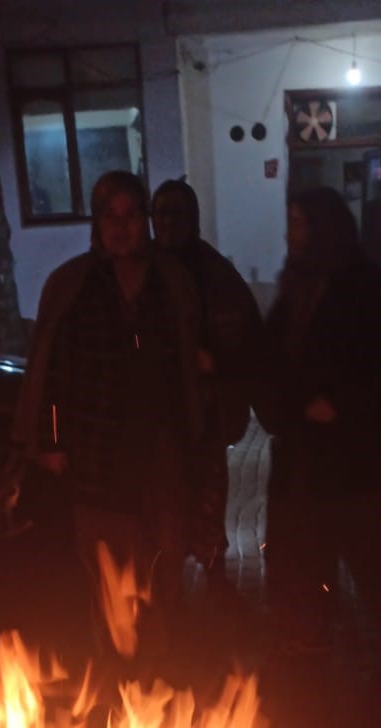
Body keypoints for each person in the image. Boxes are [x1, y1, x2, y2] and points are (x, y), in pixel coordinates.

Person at [8, 170, 203, 662]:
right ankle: (121, 680)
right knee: (112, 578)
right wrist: (49, 441)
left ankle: (158, 676)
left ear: (145, 221)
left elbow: (186, 367)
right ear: (97, 223)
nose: (121, 227)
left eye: (131, 215)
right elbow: (50, 372)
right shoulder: (73, 285)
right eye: (110, 216)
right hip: (98, 459)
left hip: (160, 456)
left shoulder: (171, 283)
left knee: (162, 568)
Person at [253, 187, 381, 654]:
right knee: (303, 562)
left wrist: (342, 402)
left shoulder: (362, 284)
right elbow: (273, 358)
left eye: (298, 223)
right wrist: (288, 404)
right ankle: (308, 642)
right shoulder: (297, 286)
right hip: (306, 456)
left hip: (360, 458)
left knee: (380, 557)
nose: (289, 234)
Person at [151, 179, 261, 569]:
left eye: (178, 213)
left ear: (194, 219)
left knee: (208, 492)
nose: (168, 223)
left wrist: (216, 364)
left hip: (206, 412)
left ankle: (214, 570)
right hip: (157, 413)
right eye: (161, 213)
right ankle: (167, 573)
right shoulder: (140, 270)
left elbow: (248, 340)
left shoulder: (217, 274)